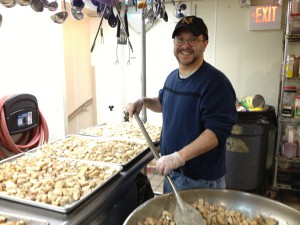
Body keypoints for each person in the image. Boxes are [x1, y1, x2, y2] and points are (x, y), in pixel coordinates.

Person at [127, 16, 238, 193]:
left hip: (200, 181)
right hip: (173, 173)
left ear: (205, 44)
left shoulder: (215, 83)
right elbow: (164, 103)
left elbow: (216, 133)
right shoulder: (172, 78)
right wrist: (144, 102)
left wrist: (178, 157)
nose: (185, 45)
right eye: (180, 39)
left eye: (193, 40)